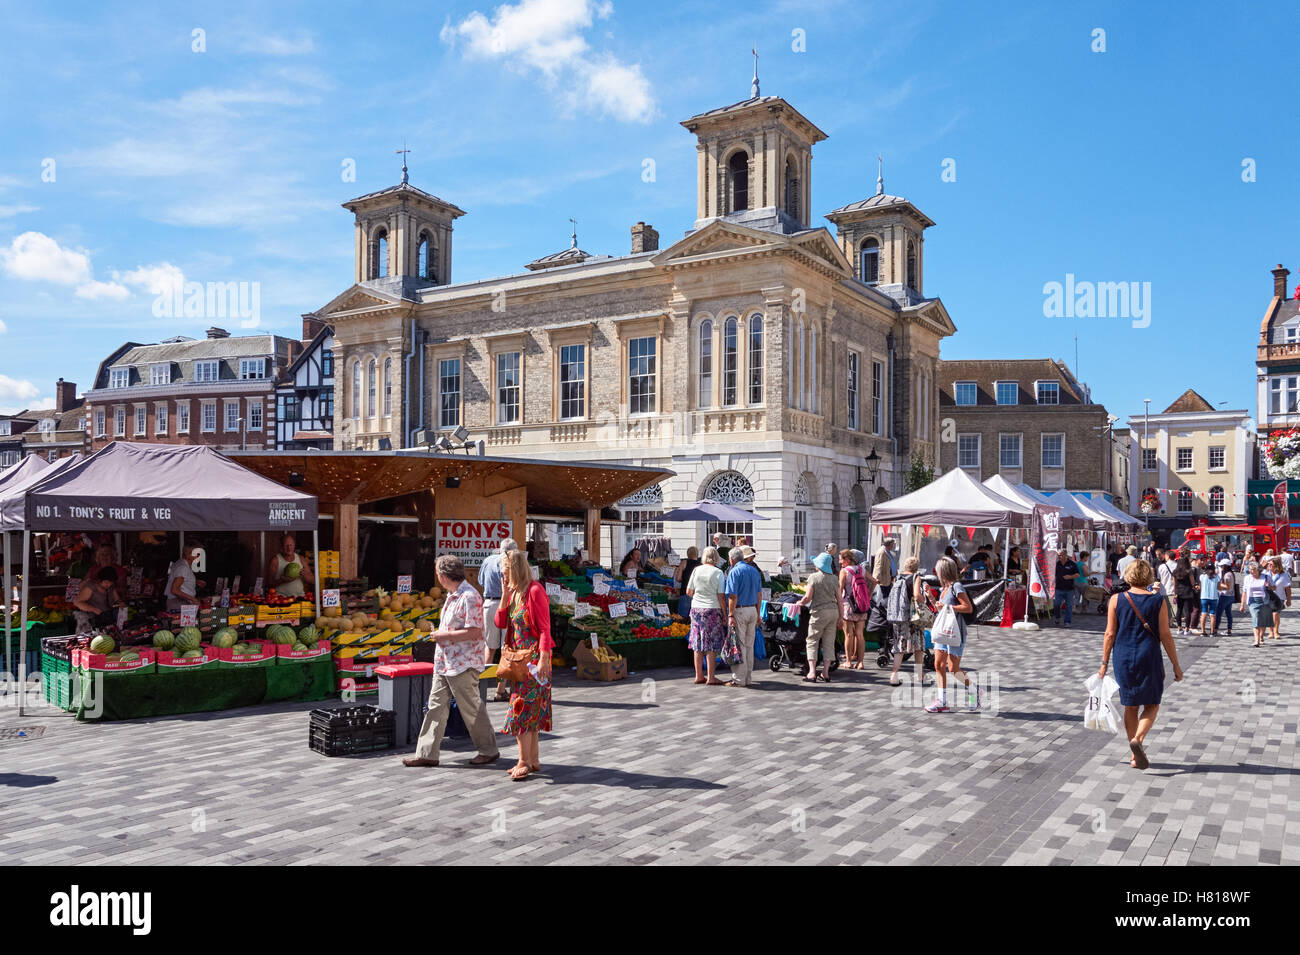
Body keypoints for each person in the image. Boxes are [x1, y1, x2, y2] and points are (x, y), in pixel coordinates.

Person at [403, 555, 500, 769]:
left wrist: (443, 636)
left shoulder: (469, 596)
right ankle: (427, 753)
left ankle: (488, 750)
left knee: (471, 708)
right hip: (446, 662)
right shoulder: (452, 595)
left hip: (463, 664)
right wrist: (443, 635)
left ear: (444, 575)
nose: (437, 577)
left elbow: (475, 632)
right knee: (435, 707)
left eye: (438, 573)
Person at [1098, 558, 1184, 770]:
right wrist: (1175, 664)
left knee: (1130, 704)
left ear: (1127, 575)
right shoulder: (1157, 601)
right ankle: (1138, 739)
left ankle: (1134, 754)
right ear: (1148, 576)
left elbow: (1109, 634)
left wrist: (1103, 663)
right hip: (1149, 655)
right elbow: (1165, 635)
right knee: (1152, 703)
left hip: (1123, 657)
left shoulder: (1116, 599)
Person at [494, 549, 553, 781]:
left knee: (520, 710)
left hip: (534, 661)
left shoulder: (535, 591)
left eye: (505, 572)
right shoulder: (515, 592)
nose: (503, 576)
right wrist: (504, 595)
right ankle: (533, 759)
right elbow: (500, 622)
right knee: (531, 711)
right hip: (519, 661)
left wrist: (544, 661)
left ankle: (523, 761)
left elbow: (545, 629)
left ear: (515, 569)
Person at [924, 556, 979, 712]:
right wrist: (931, 598)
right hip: (943, 630)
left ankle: (974, 690)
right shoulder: (944, 589)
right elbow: (940, 609)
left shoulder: (957, 587)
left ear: (943, 571)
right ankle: (942, 701)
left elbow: (967, 607)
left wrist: (949, 607)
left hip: (956, 631)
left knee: (953, 668)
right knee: (938, 664)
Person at [479, 537, 517, 702]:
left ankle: (479, 688)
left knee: (489, 647)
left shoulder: (487, 560)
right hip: (506, 604)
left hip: (488, 604)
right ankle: (500, 690)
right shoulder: (510, 562)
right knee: (506, 648)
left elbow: (481, 581)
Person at [795, 551, 841, 683]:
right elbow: (839, 599)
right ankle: (825, 673)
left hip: (819, 612)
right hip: (833, 612)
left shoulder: (813, 577)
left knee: (812, 641)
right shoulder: (834, 578)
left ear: (819, 565)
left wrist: (800, 603)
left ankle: (812, 672)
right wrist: (841, 617)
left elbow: (808, 597)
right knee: (828, 643)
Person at [722, 546, 763, 688]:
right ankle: (748, 677)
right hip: (752, 609)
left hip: (740, 610)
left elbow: (732, 595)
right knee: (749, 645)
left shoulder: (735, 572)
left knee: (739, 645)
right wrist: (758, 613)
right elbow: (759, 594)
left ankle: (739, 679)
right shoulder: (754, 570)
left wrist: (730, 614)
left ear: (732, 559)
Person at [685, 546, 725, 685]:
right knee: (711, 644)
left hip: (696, 609)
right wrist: (725, 613)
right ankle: (711, 677)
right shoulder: (718, 573)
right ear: (716, 558)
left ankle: (698, 675)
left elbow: (689, 591)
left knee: (697, 642)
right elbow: (721, 596)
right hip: (712, 610)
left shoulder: (696, 570)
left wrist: (699, 596)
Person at [886, 556, 926, 687]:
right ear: (916, 567)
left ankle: (894, 675)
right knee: (918, 645)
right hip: (912, 617)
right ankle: (919, 676)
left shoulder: (897, 578)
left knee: (899, 646)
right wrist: (924, 599)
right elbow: (916, 595)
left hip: (898, 616)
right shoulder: (916, 577)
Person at [838, 549, 876, 669]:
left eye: (841, 560)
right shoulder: (861, 569)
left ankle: (848, 661)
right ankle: (860, 662)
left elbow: (840, 590)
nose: (840, 562)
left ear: (847, 560)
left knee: (848, 635)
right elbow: (874, 581)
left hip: (849, 605)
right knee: (859, 634)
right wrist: (868, 596)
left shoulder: (844, 571)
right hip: (861, 605)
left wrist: (837, 604)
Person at [73, 567, 125, 632]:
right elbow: (77, 602)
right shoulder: (91, 587)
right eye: (106, 582)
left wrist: (120, 603)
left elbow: (117, 600)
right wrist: (93, 609)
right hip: (90, 621)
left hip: (105, 621)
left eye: (110, 582)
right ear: (100, 580)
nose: (108, 584)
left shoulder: (111, 588)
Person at [268, 533, 313, 598]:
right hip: (281, 598)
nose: (289, 548)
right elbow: (269, 584)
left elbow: (313, 580)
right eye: (286, 545)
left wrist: (306, 576)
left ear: (294, 545)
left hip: (299, 597)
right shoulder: (275, 560)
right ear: (281, 546)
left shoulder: (301, 559)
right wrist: (282, 580)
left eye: (291, 545)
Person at [1240, 560, 1271, 648]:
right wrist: (1242, 604)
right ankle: (1256, 640)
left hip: (1264, 600)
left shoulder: (1266, 577)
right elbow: (1244, 592)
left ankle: (1261, 637)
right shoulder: (1247, 578)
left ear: (1258, 570)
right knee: (1256, 618)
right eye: (1250, 569)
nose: (1251, 571)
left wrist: (1269, 586)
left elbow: (1274, 587)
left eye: (1253, 569)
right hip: (1252, 601)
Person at [165, 545, 202, 612]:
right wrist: (193, 599)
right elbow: (174, 590)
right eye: (197, 554)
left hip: (178, 602)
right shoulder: (183, 567)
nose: (199, 557)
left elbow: (180, 579)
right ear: (188, 555)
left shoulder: (181, 563)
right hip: (179, 603)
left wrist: (195, 581)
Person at [1266, 556, 1291, 640]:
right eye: (1268, 564)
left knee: (1275, 614)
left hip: (1279, 598)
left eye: (1271, 564)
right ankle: (1271, 632)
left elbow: (1287, 588)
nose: (1269, 566)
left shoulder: (1283, 575)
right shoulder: (1266, 574)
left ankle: (1276, 631)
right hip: (1267, 597)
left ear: (1276, 566)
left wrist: (1289, 600)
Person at [1173, 552, 1198, 635]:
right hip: (1188, 592)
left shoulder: (1175, 572)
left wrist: (1175, 593)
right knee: (1187, 611)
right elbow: (1193, 583)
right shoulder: (1189, 571)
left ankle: (1179, 628)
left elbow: (1174, 584)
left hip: (1179, 592)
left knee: (1179, 610)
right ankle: (1187, 629)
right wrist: (1195, 586)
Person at [1052, 551, 1078, 625]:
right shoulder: (1057, 564)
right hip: (1058, 588)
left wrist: (1070, 577)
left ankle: (1067, 621)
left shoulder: (1072, 564)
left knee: (1069, 606)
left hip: (1069, 589)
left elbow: (1077, 574)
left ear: (1065, 555)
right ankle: (1057, 617)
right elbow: (1053, 574)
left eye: (1060, 555)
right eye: (1058, 555)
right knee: (1056, 604)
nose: (1059, 557)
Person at [1196, 558, 1221, 637]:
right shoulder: (1217, 577)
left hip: (1204, 597)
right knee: (1212, 615)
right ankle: (1212, 632)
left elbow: (1200, 587)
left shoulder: (1202, 577)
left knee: (1203, 614)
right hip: (1214, 597)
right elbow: (1219, 587)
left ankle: (1203, 631)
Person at [1215, 559, 1236, 635]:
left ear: (1225, 566)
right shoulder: (1231, 573)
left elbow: (1227, 586)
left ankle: (1215, 629)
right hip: (1231, 596)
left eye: (1222, 566)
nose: (1221, 567)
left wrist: (1218, 585)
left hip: (1225, 596)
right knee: (1228, 613)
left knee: (1218, 613)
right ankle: (1229, 629)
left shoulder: (1227, 575)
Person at [1157, 550, 1177, 622]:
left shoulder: (1161, 566)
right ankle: (1171, 621)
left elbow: (1158, 578)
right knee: (1174, 608)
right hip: (1174, 590)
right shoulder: (1177, 566)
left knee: (1165, 608)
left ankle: (1167, 621)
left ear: (1168, 557)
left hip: (1163, 590)